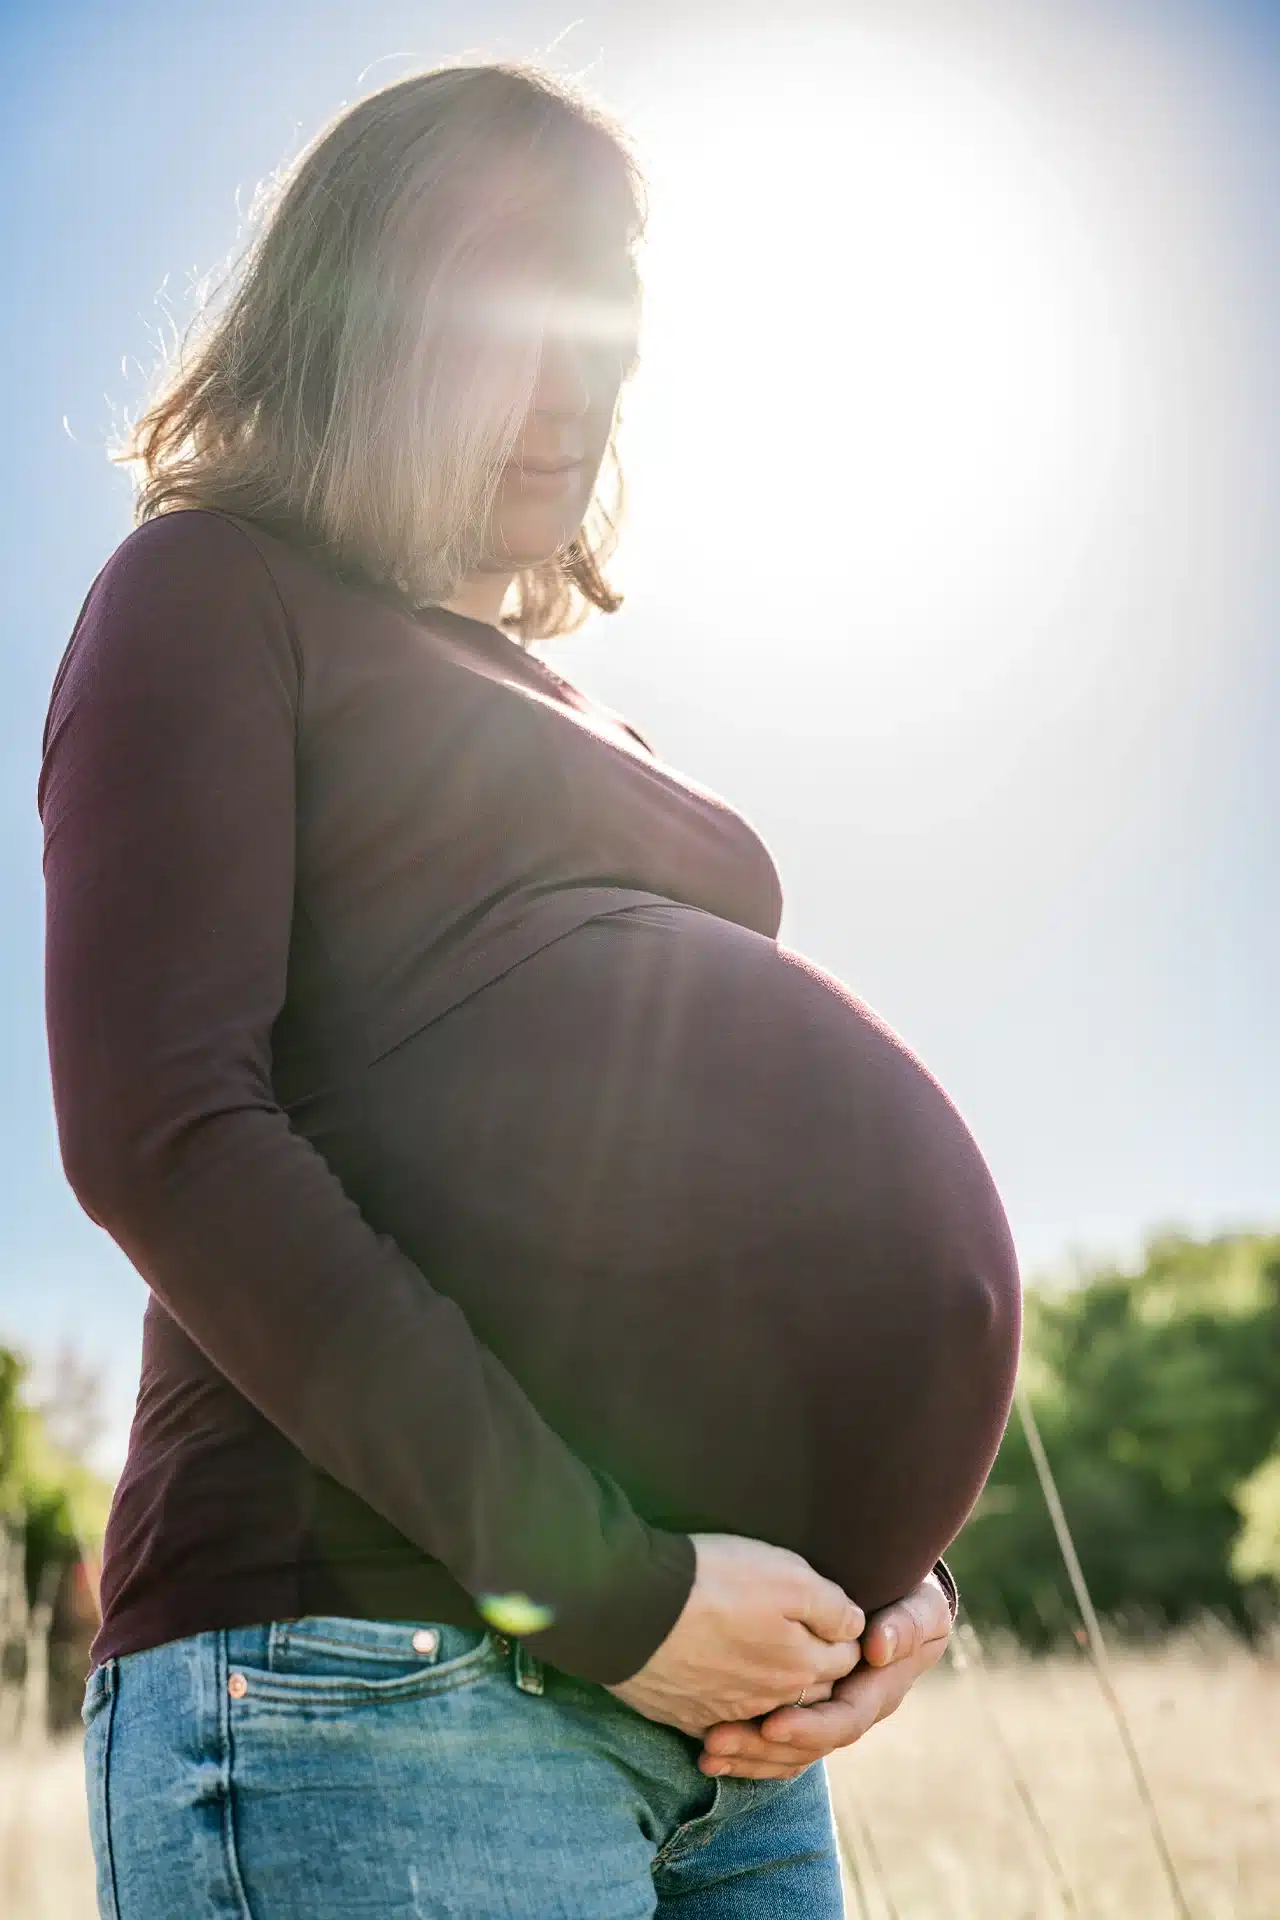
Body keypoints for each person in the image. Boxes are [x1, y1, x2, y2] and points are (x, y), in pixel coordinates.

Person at [39, 61, 1021, 1920]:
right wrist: (610, 1596)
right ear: (357, 325)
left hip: (734, 1740)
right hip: (382, 1681)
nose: (581, 394)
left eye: (614, 337)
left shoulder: (578, 713)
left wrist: (893, 1583)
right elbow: (164, 1131)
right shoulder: (208, 592)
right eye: (521, 321)